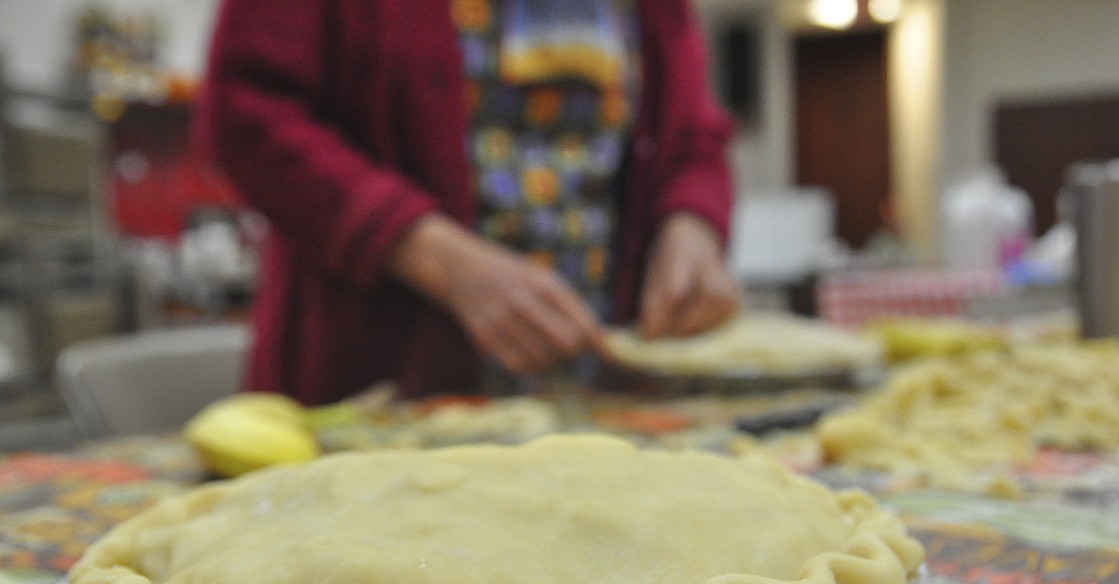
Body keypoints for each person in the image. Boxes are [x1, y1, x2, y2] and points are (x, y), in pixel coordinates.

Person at [197, 0, 739, 405]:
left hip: (603, 396)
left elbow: (694, 135)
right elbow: (248, 114)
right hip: (381, 392)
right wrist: (438, 257)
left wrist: (691, 225)